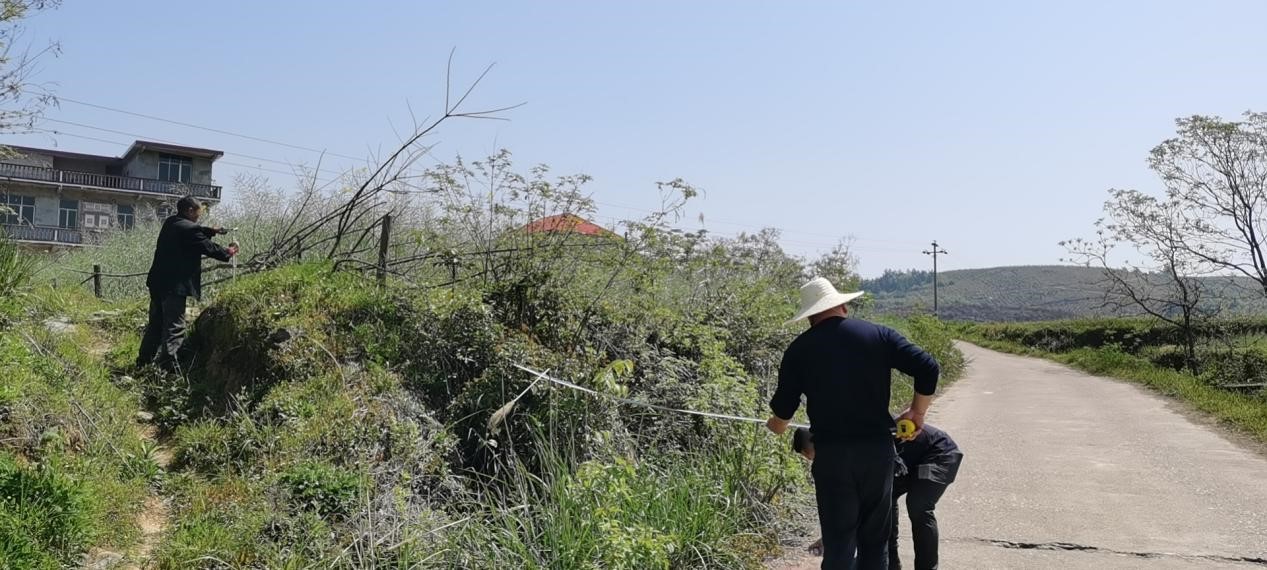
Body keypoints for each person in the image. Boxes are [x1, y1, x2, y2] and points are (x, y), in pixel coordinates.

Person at [767, 277, 940, 570]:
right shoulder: (878, 335)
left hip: (832, 458)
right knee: (875, 543)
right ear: (842, 305)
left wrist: (775, 424)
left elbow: (783, 415)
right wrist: (917, 412)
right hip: (877, 453)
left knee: (838, 545)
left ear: (810, 316)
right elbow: (928, 367)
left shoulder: (799, 350)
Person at [796, 423, 963, 570]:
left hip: (938, 453)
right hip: (904, 462)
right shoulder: (842, 443)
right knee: (881, 510)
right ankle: (891, 565)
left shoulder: (853, 434)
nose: (812, 459)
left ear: (816, 442)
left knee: (918, 506)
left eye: (809, 454)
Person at [137, 196, 237, 371]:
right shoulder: (189, 230)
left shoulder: (171, 222)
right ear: (190, 210)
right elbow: (209, 248)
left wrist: (211, 231)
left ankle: (143, 363)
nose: (200, 215)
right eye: (199, 211)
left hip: (158, 284)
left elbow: (191, 232)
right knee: (174, 327)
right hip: (174, 288)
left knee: (156, 325)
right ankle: (168, 369)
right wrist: (229, 251)